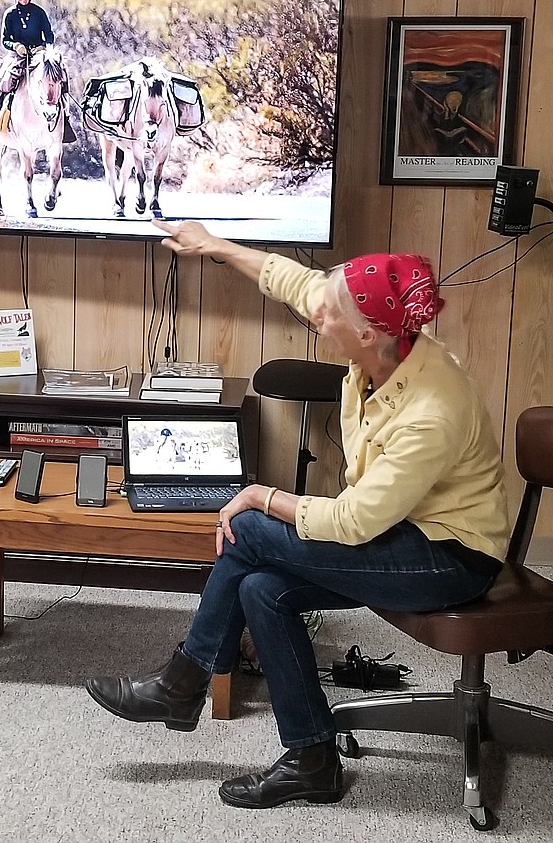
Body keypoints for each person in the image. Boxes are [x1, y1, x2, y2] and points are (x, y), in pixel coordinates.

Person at [85, 220, 510, 809]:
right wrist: (212, 244)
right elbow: (290, 280)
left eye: (328, 314)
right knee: (262, 589)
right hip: (400, 527)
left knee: (253, 529)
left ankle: (181, 683)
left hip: (448, 558)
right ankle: (312, 760)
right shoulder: (380, 337)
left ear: (366, 331)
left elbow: (354, 521)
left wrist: (261, 495)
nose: (316, 315)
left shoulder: (432, 411)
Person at [0, 0, 75, 142]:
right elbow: (5, 39)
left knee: (59, 74)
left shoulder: (39, 13)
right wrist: (16, 46)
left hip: (39, 53)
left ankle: (66, 120)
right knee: (5, 80)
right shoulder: (10, 14)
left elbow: (49, 35)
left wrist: (43, 47)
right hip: (17, 55)